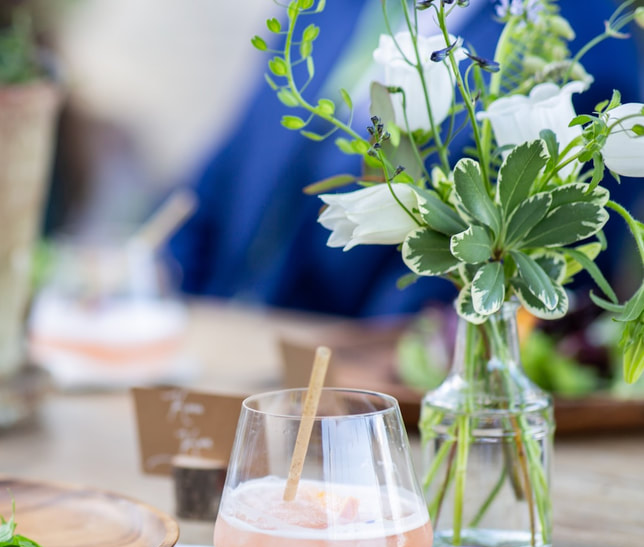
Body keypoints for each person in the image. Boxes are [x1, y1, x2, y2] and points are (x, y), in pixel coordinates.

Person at [167, 0, 644, 318]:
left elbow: (520, 266)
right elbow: (215, 184)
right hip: (209, 345)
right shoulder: (325, 11)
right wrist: (152, 281)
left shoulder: (580, 37)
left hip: (365, 398)